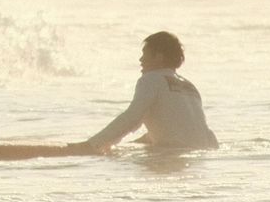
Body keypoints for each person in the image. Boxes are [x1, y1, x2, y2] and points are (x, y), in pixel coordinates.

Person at [71, 31, 218, 152]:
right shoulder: (189, 86)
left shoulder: (152, 78)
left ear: (159, 57)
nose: (140, 59)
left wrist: (92, 145)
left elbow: (132, 118)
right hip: (202, 155)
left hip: (171, 154)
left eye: (145, 54)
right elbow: (180, 126)